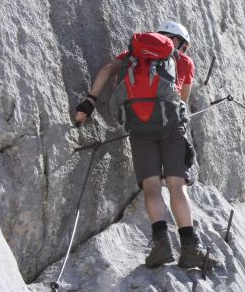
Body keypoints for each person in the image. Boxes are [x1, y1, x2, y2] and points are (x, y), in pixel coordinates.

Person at [75, 20, 220, 270]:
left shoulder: (132, 54)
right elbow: (182, 102)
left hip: (138, 127)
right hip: (171, 127)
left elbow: (109, 68)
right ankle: (190, 248)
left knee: (151, 186)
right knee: (176, 185)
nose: (183, 51)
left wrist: (89, 101)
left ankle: (161, 244)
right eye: (183, 46)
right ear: (177, 41)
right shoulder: (183, 61)